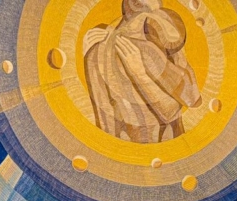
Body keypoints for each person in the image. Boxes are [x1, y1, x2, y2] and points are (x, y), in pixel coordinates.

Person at [83, 0, 202, 143]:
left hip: (154, 147)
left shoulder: (159, 33)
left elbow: (188, 100)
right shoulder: (99, 49)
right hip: (142, 147)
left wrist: (140, 73)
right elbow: (182, 104)